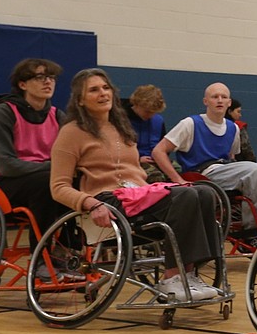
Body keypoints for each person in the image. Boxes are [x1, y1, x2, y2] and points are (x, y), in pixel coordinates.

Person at [50, 68, 224, 301]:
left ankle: (190, 273)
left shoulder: (121, 127)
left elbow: (136, 173)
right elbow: (58, 187)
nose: (103, 93)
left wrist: (158, 186)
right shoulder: (71, 132)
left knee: (203, 192)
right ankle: (172, 278)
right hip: (106, 200)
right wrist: (89, 203)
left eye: (105, 87)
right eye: (94, 90)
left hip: (137, 195)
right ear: (80, 100)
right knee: (186, 197)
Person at [151, 82, 257, 235]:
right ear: (205, 101)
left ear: (229, 102)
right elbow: (158, 151)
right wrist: (177, 179)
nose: (220, 100)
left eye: (224, 97)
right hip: (203, 173)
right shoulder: (190, 123)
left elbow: (231, 158)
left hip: (225, 169)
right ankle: (253, 231)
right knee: (253, 170)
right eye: (215, 97)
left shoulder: (233, 128)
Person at [0, 58, 68, 253]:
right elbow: (8, 166)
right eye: (40, 77)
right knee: (48, 182)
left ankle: (69, 251)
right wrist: (52, 167)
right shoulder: (3, 113)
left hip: (42, 179)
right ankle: (42, 258)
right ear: (22, 84)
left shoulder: (58, 115)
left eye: (51, 77)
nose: (48, 82)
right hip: (4, 185)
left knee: (79, 183)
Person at [125, 84, 173, 183]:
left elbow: (163, 146)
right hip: (132, 161)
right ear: (136, 104)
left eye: (154, 112)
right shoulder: (122, 120)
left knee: (177, 169)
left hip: (154, 159)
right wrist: (137, 159)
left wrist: (159, 158)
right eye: (147, 112)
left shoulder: (158, 120)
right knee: (155, 176)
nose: (151, 115)